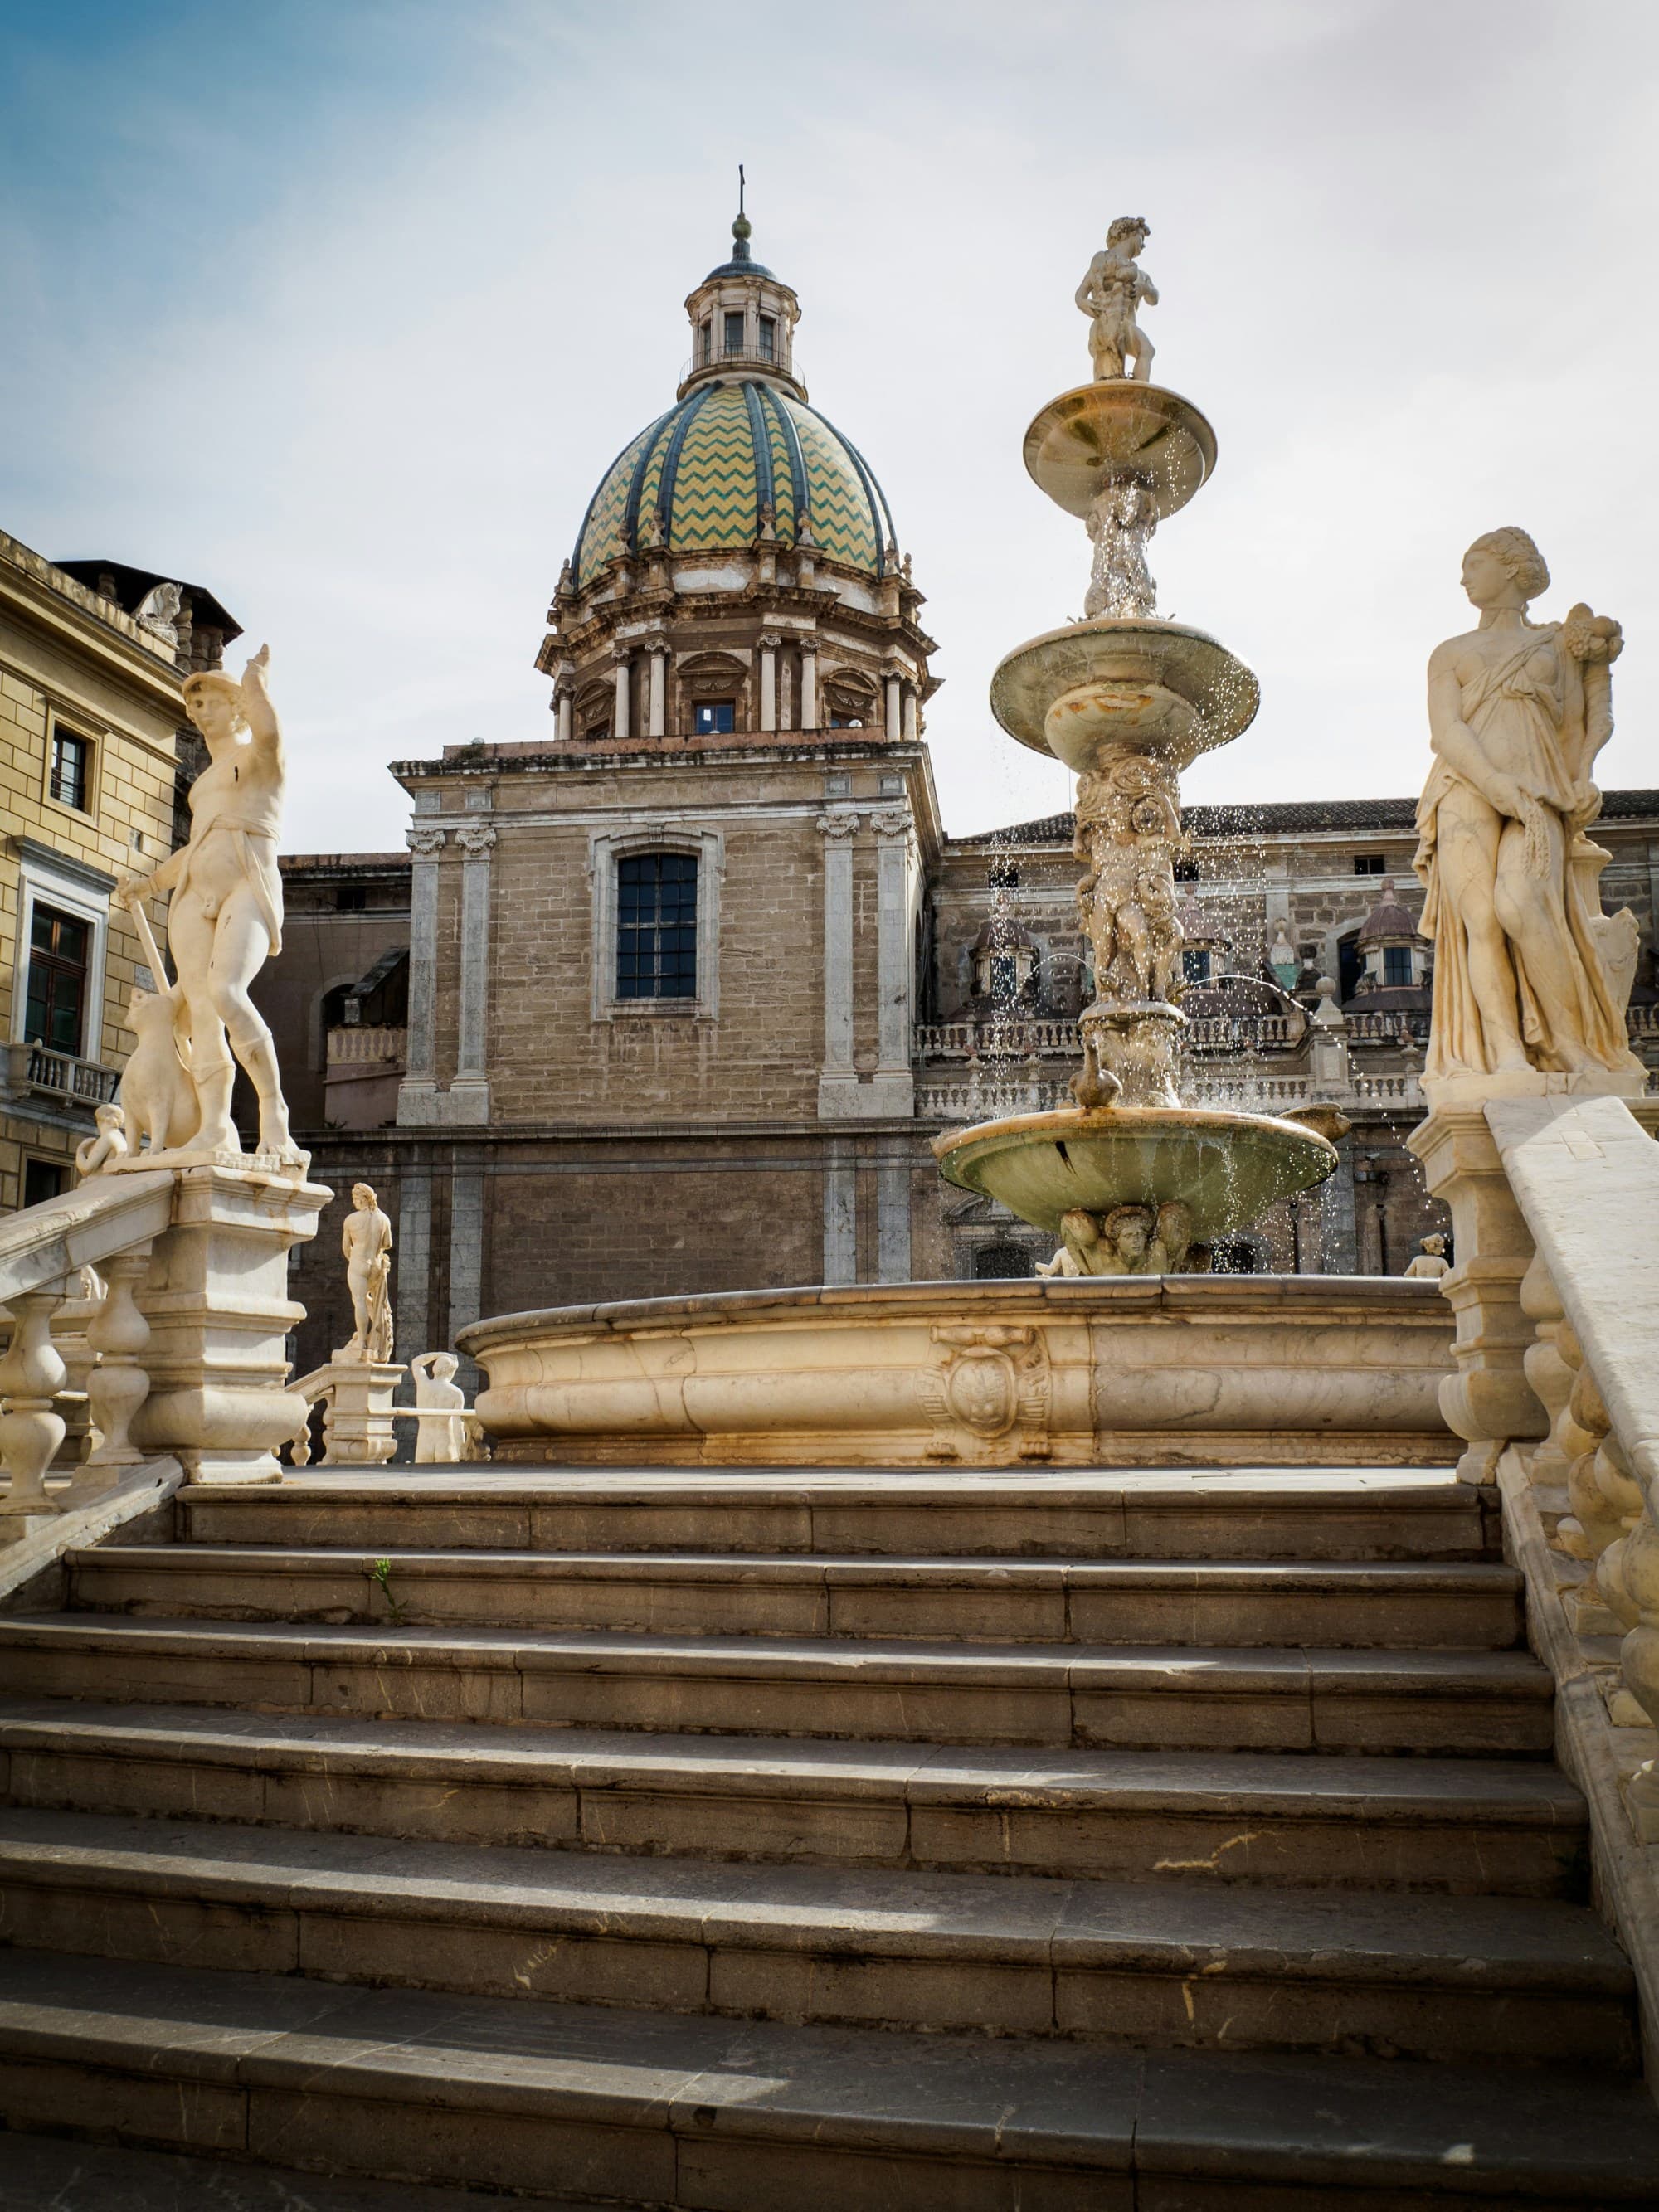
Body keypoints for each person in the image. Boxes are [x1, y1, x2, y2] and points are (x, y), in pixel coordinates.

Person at [1415, 531, 1640, 1084]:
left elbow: (1584, 720)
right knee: (1481, 921)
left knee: (1520, 903)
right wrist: (1493, 782)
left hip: (1539, 790)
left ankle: (1567, 1042)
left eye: (1476, 563)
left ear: (1514, 569)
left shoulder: (1557, 645)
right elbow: (1447, 729)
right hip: (1465, 787)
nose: (1464, 576)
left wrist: (1583, 774)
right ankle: (1507, 1052)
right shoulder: (1450, 653)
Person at [113, 646, 297, 1159]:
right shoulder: (203, 786)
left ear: (237, 706)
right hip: (194, 890)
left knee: (226, 990)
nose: (199, 711)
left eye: (211, 700)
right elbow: (193, 848)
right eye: (194, 705)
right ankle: (214, 1126)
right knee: (199, 1008)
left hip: (248, 883)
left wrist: (255, 681)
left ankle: (272, 1112)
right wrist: (149, 883)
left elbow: (271, 732)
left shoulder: (262, 759)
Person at [1075, 218, 1158, 382]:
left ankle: (1138, 396)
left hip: (1127, 326)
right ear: (1128, 235)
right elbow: (1080, 295)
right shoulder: (1102, 259)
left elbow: (1154, 298)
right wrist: (1088, 305)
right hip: (1106, 323)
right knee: (1109, 379)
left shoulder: (1140, 275)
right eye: (1141, 238)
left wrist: (1145, 289)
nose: (1143, 244)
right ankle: (1134, 397)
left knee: (1147, 350)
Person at [342, 1183, 394, 1362]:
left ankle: (362, 1341)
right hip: (377, 1265)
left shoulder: (351, 1219)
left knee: (359, 1301)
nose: (354, 1202)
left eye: (355, 1199)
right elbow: (388, 1244)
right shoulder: (384, 1219)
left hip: (358, 1263)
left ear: (361, 1198)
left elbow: (345, 1248)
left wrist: (355, 1261)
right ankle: (376, 1337)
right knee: (373, 1301)